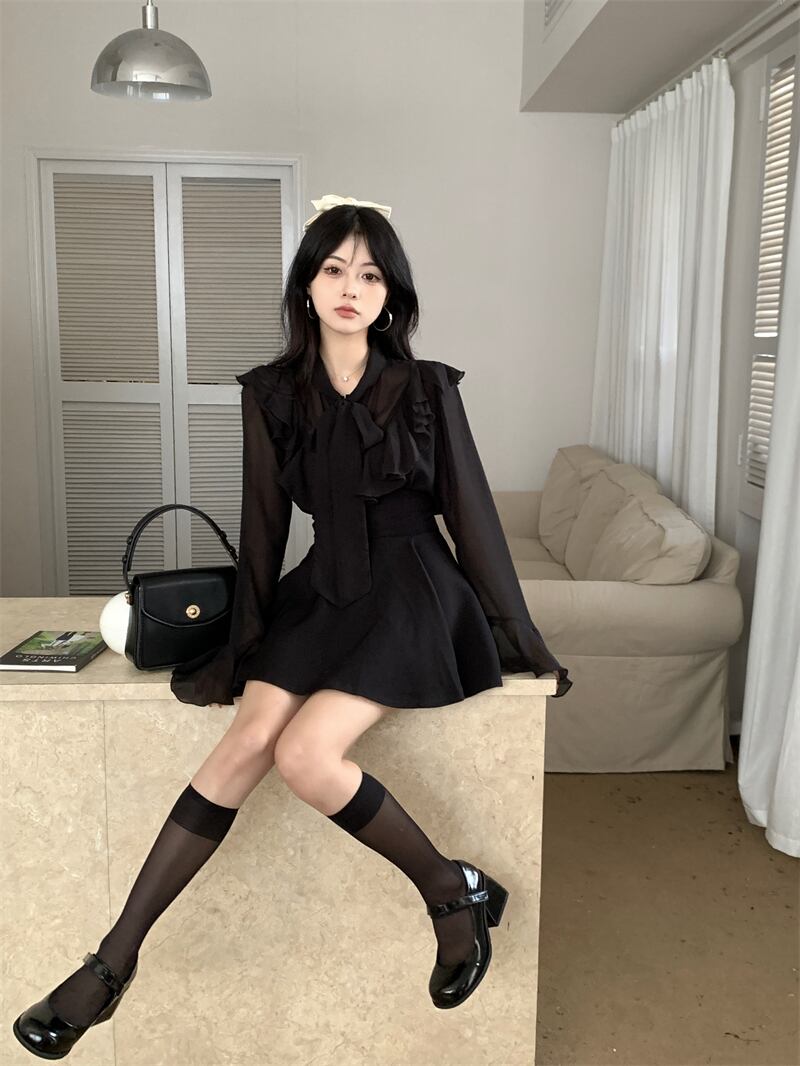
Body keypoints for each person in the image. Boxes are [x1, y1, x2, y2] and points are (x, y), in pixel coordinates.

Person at [13, 193, 572, 1058]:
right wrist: (242, 647)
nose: (352, 288)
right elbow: (264, 528)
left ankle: (449, 891)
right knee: (245, 741)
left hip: (414, 588)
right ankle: (113, 962)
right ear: (306, 285)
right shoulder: (272, 393)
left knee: (306, 756)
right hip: (324, 589)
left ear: (391, 295)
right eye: (335, 269)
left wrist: (519, 635)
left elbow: (473, 516)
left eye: (371, 275)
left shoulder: (427, 387)